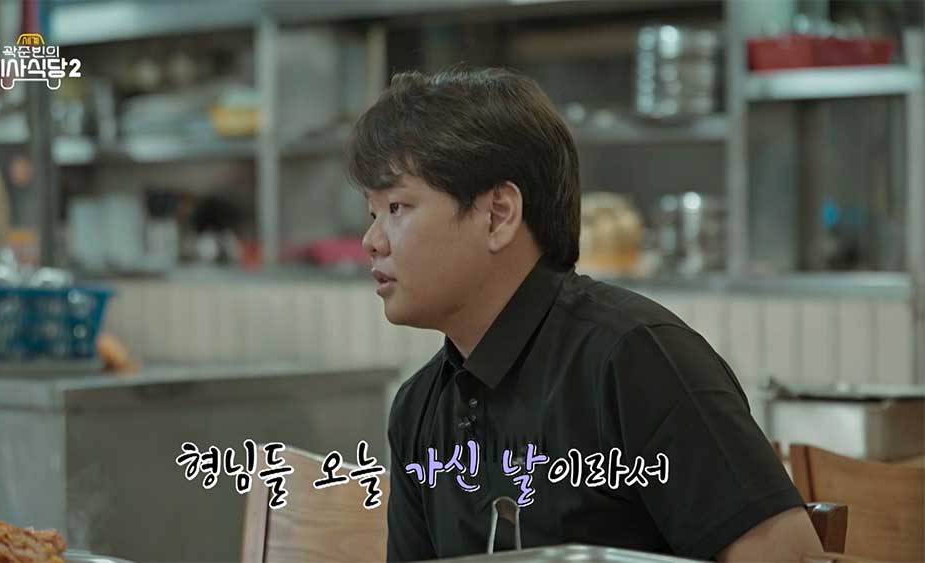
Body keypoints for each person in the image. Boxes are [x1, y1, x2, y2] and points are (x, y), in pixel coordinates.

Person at [346, 68, 822, 563]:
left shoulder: (636, 359)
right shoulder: (419, 407)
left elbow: (789, 557)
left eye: (397, 207)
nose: (372, 241)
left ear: (498, 214)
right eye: (372, 213)